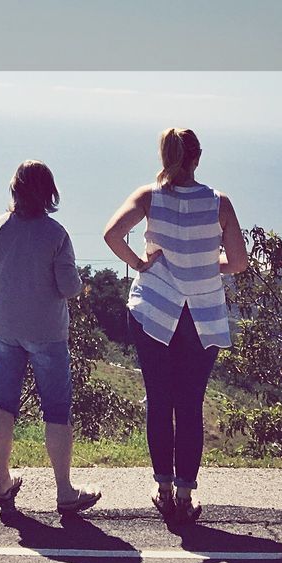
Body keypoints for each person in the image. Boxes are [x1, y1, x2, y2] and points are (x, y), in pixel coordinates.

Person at [102, 128, 248, 525]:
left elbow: (112, 235)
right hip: (201, 316)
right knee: (189, 405)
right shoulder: (219, 203)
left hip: (154, 310)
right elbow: (237, 262)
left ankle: (163, 488)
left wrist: (140, 263)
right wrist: (206, 264)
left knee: (159, 400)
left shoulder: (149, 196)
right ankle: (185, 494)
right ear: (197, 157)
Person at [0, 159, 101, 515]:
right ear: (49, 194)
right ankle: (64, 491)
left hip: (1, 325)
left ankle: (1, 481)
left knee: (2, 403)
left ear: (15, 189)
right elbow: (69, 287)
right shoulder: (56, 234)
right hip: (46, 331)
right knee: (57, 409)